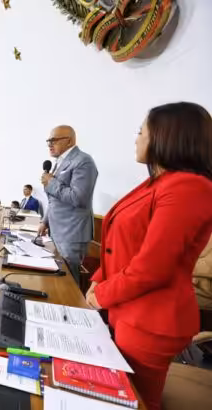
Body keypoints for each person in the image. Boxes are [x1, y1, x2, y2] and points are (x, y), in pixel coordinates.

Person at [85, 102, 212, 410]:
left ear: (167, 137)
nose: (137, 138)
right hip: (130, 310)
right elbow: (123, 246)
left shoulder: (189, 187)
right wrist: (97, 280)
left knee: (138, 401)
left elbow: (152, 268)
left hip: (152, 319)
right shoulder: (161, 182)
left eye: (141, 131)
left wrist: (101, 295)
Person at [39, 125, 98, 284]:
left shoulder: (83, 161)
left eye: (54, 140)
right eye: (48, 141)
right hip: (57, 230)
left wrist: (51, 182)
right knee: (59, 278)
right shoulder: (59, 162)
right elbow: (54, 199)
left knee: (69, 282)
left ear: (69, 141)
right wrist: (45, 221)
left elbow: (78, 198)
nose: (50, 144)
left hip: (71, 233)